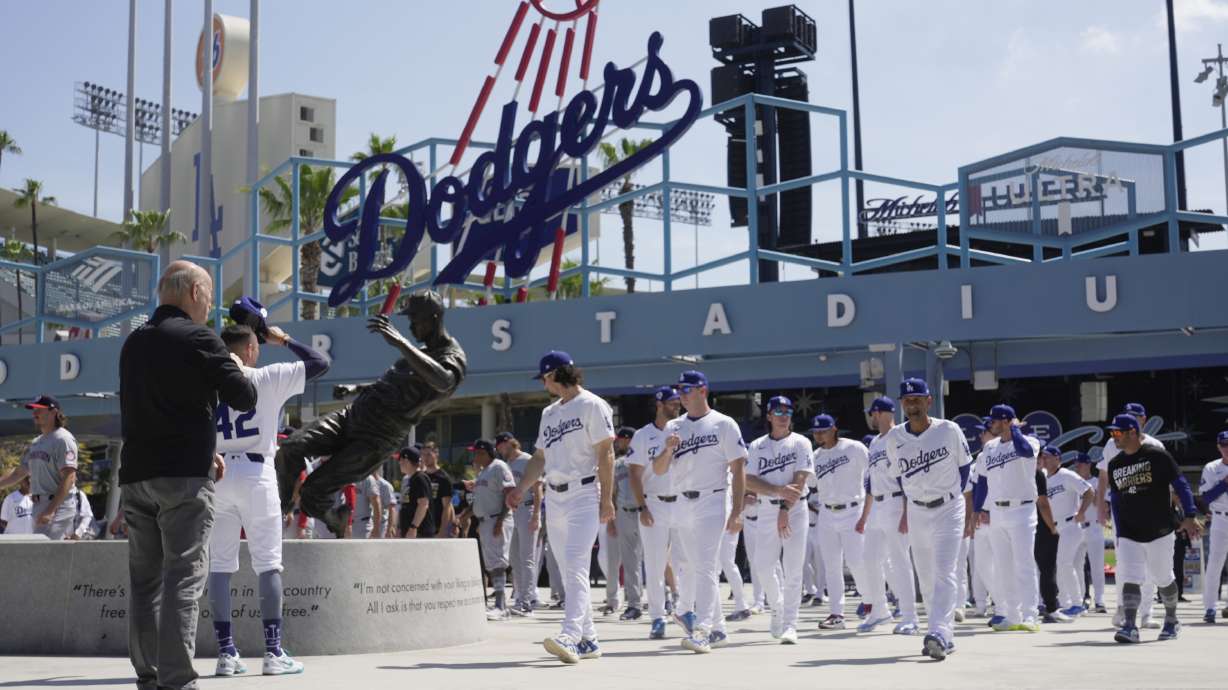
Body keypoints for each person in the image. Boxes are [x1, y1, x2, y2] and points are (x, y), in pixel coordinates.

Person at [118, 260, 258, 690]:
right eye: (210, 297)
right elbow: (246, 396)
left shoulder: (132, 343)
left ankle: (148, 675)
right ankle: (178, 681)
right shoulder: (200, 338)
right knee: (183, 577)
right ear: (194, 293)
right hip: (182, 479)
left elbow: (158, 407)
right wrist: (231, 360)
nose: (210, 307)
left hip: (136, 476)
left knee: (144, 584)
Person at [275, 291, 466, 534]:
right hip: (353, 415)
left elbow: (443, 381)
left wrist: (400, 342)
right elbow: (388, 384)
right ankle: (280, 510)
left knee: (313, 492)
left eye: (415, 319)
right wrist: (355, 389)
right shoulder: (418, 353)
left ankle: (336, 520)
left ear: (434, 318)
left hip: (377, 436)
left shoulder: (452, 356)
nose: (410, 325)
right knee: (291, 447)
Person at [207, 315, 328, 677]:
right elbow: (320, 363)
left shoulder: (207, 385)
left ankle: (227, 653)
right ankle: (273, 651)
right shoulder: (265, 377)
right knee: (268, 563)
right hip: (256, 472)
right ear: (250, 348)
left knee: (219, 566)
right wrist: (284, 339)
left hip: (216, 473)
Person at [506, 351, 615, 664]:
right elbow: (540, 457)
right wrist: (521, 488)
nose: (543, 383)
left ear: (554, 375)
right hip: (554, 496)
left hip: (583, 493)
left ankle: (570, 635)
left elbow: (606, 453)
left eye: (544, 377)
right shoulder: (549, 413)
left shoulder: (592, 404)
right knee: (569, 570)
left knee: (576, 562)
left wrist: (606, 498)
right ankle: (590, 638)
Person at [650, 370, 746, 654]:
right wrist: (667, 450)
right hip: (681, 501)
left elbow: (738, 469)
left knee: (705, 566)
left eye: (688, 389)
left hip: (712, 499)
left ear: (703, 390)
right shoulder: (673, 426)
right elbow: (657, 469)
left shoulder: (723, 424)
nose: (682, 395)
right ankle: (718, 628)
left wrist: (737, 510)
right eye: (680, 390)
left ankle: (702, 629)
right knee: (690, 567)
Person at [882, 378, 973, 662]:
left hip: (948, 506)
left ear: (928, 401)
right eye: (908, 400)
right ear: (901, 404)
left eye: (918, 398)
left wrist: (954, 498)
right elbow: (899, 475)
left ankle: (936, 631)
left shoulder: (948, 430)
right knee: (925, 574)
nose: (913, 403)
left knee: (946, 570)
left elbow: (965, 467)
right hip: (918, 510)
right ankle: (945, 635)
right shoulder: (895, 438)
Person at [1103, 414, 1201, 643]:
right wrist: (1118, 531)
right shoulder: (1115, 463)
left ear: (1132, 433)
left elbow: (1181, 485)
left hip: (1159, 529)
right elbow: (1116, 499)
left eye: (1118, 433)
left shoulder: (1157, 456)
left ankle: (1171, 620)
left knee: (1162, 577)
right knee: (1130, 576)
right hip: (1129, 532)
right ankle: (1129, 625)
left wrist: (1189, 515)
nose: (1114, 437)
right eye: (1112, 433)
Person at [743, 395, 813, 644]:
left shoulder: (801, 442)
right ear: (769, 416)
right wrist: (776, 492)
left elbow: (800, 479)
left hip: (795, 509)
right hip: (766, 509)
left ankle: (790, 625)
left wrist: (784, 506)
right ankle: (777, 607)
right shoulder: (757, 445)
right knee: (762, 565)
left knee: (794, 568)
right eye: (779, 412)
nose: (784, 416)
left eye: (788, 412)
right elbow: (748, 480)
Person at [970, 404, 1043, 633]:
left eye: (994, 420)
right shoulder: (989, 448)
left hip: (1022, 509)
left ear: (1006, 421)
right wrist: (978, 508)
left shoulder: (1029, 441)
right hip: (997, 512)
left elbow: (1024, 451)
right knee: (1004, 567)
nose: (990, 424)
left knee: (1024, 564)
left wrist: (1015, 429)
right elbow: (982, 481)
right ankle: (1012, 615)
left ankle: (1030, 614)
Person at [856, 396, 920, 634]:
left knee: (900, 561)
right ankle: (880, 610)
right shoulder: (874, 443)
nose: (871, 417)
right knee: (869, 559)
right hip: (877, 506)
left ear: (881, 413)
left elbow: (907, 476)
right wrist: (864, 517)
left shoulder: (900, 436)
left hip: (896, 503)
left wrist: (906, 511)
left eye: (872, 413)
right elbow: (871, 483)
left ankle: (910, 616)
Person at [626, 386, 685, 639]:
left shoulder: (685, 429)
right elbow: (634, 474)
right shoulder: (642, 435)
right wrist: (642, 506)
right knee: (654, 564)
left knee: (686, 561)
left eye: (678, 402)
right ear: (660, 404)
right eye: (673, 402)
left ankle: (685, 611)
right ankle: (658, 617)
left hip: (684, 501)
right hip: (655, 503)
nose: (678, 406)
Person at [1096, 403, 1162, 629]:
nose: (1129, 420)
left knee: (1149, 561)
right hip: (1121, 507)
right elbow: (1103, 474)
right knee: (1124, 562)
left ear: (1143, 419)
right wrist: (1100, 505)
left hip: (1149, 509)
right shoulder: (1111, 442)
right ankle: (1124, 608)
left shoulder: (1154, 444)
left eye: (1134, 416)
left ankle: (1147, 613)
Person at [808, 413, 870, 630]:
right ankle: (837, 613)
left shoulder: (854, 448)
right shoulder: (815, 456)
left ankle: (870, 601)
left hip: (853, 510)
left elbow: (871, 477)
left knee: (856, 561)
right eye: (815, 432)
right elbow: (812, 484)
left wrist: (867, 513)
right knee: (831, 565)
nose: (818, 435)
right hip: (826, 512)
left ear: (834, 428)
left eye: (822, 430)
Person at [0, 395, 80, 540]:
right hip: (38, 505)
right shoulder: (36, 442)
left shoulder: (63, 439)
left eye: (39, 410)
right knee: (42, 554)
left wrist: (51, 510)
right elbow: (19, 473)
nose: (34, 413)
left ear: (53, 412)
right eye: (33, 410)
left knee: (44, 554)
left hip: (58, 505)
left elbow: (69, 476)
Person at [1039, 447, 1093, 618]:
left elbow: (1089, 491)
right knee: (1059, 565)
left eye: (1047, 457)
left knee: (1064, 564)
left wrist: (1082, 511)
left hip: (1070, 525)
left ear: (1057, 458)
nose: (1044, 460)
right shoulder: (1043, 478)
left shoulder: (1067, 475)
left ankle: (1077, 603)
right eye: (1043, 457)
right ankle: (1066, 602)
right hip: (1053, 527)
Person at [470, 438, 516, 620]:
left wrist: (500, 521)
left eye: (480, 453)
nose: (476, 456)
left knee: (498, 564)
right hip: (486, 521)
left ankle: (501, 606)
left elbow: (509, 494)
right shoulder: (484, 472)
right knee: (492, 564)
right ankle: (499, 604)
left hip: (497, 519)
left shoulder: (499, 467)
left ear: (488, 453)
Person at [498, 431, 541, 616]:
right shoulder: (507, 464)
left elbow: (538, 489)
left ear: (508, 443)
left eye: (500, 446)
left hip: (528, 509)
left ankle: (528, 601)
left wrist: (536, 515)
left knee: (527, 558)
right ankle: (519, 597)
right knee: (514, 558)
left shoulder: (527, 460)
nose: (499, 450)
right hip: (512, 512)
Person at [604, 426, 645, 620]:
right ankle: (634, 603)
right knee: (630, 563)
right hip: (624, 514)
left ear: (629, 440)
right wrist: (612, 521)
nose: (618, 443)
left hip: (645, 513)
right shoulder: (618, 464)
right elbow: (612, 494)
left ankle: (668, 598)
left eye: (621, 439)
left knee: (656, 560)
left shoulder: (645, 459)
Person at [1071, 453, 1107, 613]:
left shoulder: (1097, 482)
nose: (1077, 467)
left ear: (1088, 465)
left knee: (1097, 566)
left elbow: (1104, 507)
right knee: (1076, 565)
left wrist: (1091, 493)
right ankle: (1080, 599)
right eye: (1076, 464)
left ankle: (1100, 600)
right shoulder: (1072, 482)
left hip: (1094, 527)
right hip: (1077, 527)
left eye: (1080, 464)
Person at [1200, 430, 1228, 623]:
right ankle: (1210, 608)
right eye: (1224, 445)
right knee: (1214, 565)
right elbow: (1206, 497)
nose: (1227, 448)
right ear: (1219, 447)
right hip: (1220, 518)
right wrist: (1224, 484)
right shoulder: (1211, 468)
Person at [397, 447, 434, 538]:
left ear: (406, 461)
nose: (399, 463)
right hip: (411, 531)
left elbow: (423, 505)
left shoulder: (420, 478)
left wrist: (413, 527)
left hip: (419, 532)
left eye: (400, 460)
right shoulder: (412, 479)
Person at [421, 442, 456, 537]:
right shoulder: (421, 477)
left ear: (436, 454)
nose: (425, 458)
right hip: (421, 527)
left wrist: (442, 531)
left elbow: (447, 507)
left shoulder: (443, 478)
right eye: (423, 455)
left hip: (436, 528)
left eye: (428, 454)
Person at [353, 471, 384, 539]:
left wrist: (376, 528)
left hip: (362, 526)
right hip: (343, 525)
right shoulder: (341, 477)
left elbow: (376, 503)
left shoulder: (367, 478)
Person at [374, 466, 397, 538]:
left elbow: (392, 508)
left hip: (382, 526)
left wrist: (390, 528)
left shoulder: (385, 485)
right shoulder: (361, 483)